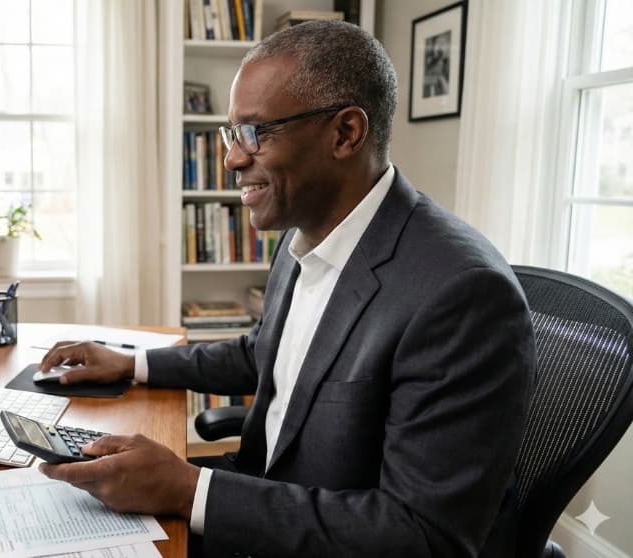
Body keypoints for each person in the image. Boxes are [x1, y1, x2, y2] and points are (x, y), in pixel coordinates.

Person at [38, 20, 536, 558]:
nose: (231, 158)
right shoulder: (307, 233)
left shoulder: (462, 294)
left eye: (255, 132)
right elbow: (264, 354)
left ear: (345, 134)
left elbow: (421, 535)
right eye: (232, 134)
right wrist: (131, 363)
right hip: (263, 496)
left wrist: (187, 489)